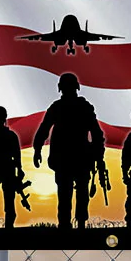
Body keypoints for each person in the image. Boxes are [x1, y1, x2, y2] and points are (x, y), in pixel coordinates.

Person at [33, 73, 105, 231]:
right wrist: (37, 149)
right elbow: (97, 134)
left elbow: (96, 133)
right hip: (74, 158)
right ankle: (74, 224)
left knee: (69, 193)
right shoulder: (78, 107)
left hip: (70, 158)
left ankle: (70, 224)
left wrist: (37, 149)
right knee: (75, 193)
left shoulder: (61, 107)